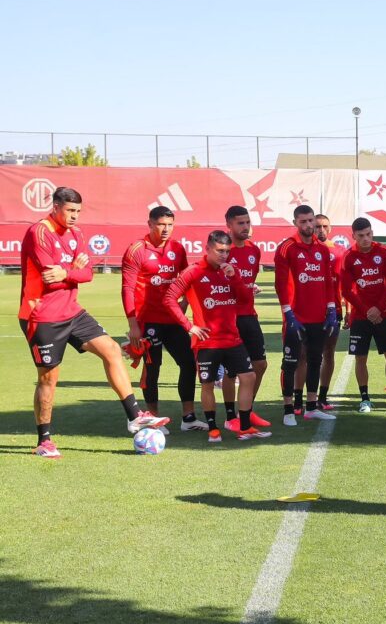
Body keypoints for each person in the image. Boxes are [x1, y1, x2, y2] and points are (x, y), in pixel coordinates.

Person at [20, 187, 168, 458]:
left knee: (111, 350)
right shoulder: (39, 232)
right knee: (48, 378)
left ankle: (135, 416)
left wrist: (68, 272)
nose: (75, 216)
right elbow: (49, 278)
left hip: (72, 311)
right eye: (69, 210)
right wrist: (72, 270)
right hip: (42, 315)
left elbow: (88, 274)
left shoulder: (76, 233)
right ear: (55, 207)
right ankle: (44, 441)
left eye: (78, 211)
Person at [165, 231, 270, 442]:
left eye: (227, 251)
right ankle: (213, 429)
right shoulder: (193, 272)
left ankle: (244, 427)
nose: (224, 255)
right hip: (208, 342)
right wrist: (189, 326)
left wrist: (235, 278)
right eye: (220, 251)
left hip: (233, 338)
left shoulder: (230, 271)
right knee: (208, 385)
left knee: (248, 377)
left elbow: (244, 299)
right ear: (207, 249)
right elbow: (169, 298)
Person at [120, 206, 198, 431]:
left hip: (173, 319)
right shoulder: (136, 250)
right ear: (150, 224)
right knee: (152, 369)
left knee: (188, 363)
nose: (166, 229)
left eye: (170, 225)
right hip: (148, 321)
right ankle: (153, 418)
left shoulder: (177, 248)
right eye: (161, 224)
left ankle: (189, 418)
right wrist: (133, 325)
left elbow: (187, 279)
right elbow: (127, 289)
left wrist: (185, 303)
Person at [274, 205, 340, 426]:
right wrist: (288, 313)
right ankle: (288, 410)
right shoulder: (287, 247)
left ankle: (311, 407)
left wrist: (331, 309)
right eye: (303, 221)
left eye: (311, 220)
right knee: (290, 362)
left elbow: (328, 281)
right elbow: (280, 284)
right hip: (296, 317)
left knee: (315, 359)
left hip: (318, 316)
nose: (308, 225)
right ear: (295, 223)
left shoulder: (322, 249)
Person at [341, 218, 386, 413]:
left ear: (372, 233)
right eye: (361, 235)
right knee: (360, 357)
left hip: (383, 314)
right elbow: (347, 290)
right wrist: (367, 310)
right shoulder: (349, 256)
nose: (365, 238)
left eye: (368, 234)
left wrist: (378, 308)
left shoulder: (383, 251)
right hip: (360, 317)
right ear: (353, 236)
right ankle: (365, 398)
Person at [221, 206, 271, 431]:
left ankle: (247, 410)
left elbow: (247, 281)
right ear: (229, 225)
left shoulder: (254, 250)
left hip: (249, 315)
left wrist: (251, 288)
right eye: (240, 223)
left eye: (247, 222)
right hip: (229, 317)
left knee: (260, 364)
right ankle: (231, 416)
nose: (245, 227)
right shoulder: (223, 250)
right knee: (232, 370)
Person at [313, 213, 348, 411]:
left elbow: (346, 284)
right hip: (310, 310)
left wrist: (348, 309)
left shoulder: (340, 252)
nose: (321, 230)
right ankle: (304, 397)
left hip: (334, 310)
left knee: (328, 352)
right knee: (308, 354)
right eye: (318, 226)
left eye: (325, 226)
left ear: (331, 228)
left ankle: (322, 396)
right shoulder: (306, 250)